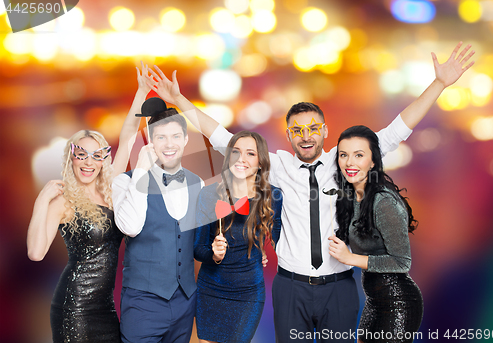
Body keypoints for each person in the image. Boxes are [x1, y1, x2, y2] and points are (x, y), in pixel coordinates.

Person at [146, 41, 474, 342]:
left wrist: (440, 84)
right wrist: (178, 101)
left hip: (339, 286)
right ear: (288, 135)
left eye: (313, 128)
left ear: (325, 130)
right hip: (291, 288)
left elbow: (396, 131)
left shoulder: (346, 160)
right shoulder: (278, 165)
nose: (306, 136)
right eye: (297, 130)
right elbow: (222, 138)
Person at [26, 62, 150, 342]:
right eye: (82, 155)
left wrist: (140, 93)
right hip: (74, 306)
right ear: (71, 158)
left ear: (104, 160)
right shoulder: (64, 201)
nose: (89, 162)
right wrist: (41, 201)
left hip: (105, 308)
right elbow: (35, 252)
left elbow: (128, 136)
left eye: (96, 155)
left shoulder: (111, 191)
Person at [112, 98, 204, 343]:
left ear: (186, 139)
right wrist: (141, 170)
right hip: (143, 303)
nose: (169, 144)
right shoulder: (124, 181)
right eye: (161, 137)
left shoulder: (199, 183)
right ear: (150, 142)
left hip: (186, 302)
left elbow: (199, 244)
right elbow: (130, 228)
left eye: (175, 136)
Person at [329, 125, 423, 343]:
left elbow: (402, 262)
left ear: (373, 162)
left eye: (358, 155)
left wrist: (350, 258)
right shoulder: (351, 197)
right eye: (344, 155)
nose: (349, 162)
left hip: (399, 302)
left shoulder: (383, 201)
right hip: (374, 301)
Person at [194, 131, 283, 343]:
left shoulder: (273, 196)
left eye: (250, 153)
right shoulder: (208, 194)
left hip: (248, 293)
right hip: (210, 288)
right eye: (236, 152)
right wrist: (214, 255)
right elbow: (198, 249)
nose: (241, 159)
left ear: (260, 161)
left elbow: (283, 240)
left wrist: (263, 249)